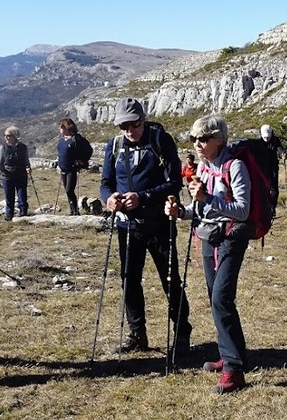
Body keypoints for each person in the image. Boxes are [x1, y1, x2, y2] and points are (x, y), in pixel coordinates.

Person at [167, 113, 252, 394]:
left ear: (219, 139)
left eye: (203, 139)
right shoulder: (203, 168)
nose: (197, 144)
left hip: (230, 238)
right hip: (207, 237)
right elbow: (199, 210)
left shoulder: (235, 166)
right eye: (194, 138)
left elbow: (243, 210)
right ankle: (232, 354)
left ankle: (234, 370)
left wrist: (207, 198)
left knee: (221, 298)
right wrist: (181, 212)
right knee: (217, 298)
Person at [99, 97, 190, 355]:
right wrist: (109, 199)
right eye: (123, 126)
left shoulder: (160, 140)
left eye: (134, 124)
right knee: (129, 280)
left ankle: (182, 334)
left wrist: (143, 197)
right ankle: (137, 334)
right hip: (127, 226)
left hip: (159, 223)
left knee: (170, 280)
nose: (129, 130)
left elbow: (174, 182)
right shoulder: (114, 145)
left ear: (143, 119)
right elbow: (105, 183)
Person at [56, 118, 92, 216]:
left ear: (66, 127)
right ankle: (72, 211)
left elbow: (88, 150)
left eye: (61, 127)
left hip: (72, 169)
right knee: (68, 191)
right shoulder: (62, 140)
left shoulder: (76, 140)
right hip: (63, 169)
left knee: (69, 190)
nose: (59, 129)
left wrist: (82, 161)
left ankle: (75, 212)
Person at [0, 126, 31, 220]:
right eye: (5, 135)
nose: (6, 137)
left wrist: (28, 167)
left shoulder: (23, 147)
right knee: (9, 197)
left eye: (8, 135)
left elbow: (26, 160)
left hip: (21, 174)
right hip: (7, 175)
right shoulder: (3, 148)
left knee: (22, 196)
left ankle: (23, 215)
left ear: (15, 136)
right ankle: (9, 216)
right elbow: (0, 162)